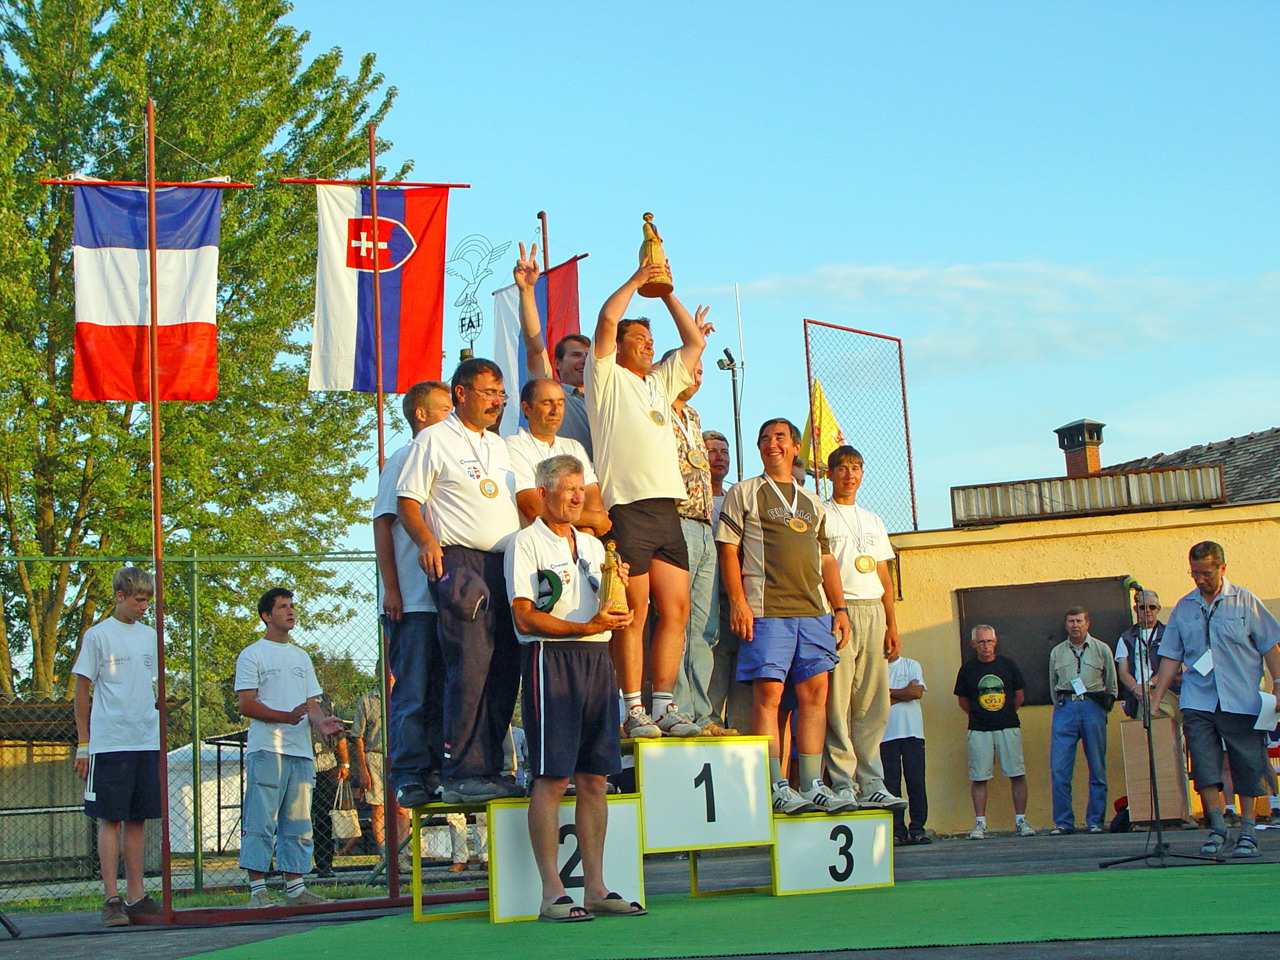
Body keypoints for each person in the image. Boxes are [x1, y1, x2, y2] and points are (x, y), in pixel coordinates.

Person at [506, 455, 645, 920]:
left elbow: (608, 608)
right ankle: (552, 893)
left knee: (594, 778)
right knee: (552, 778)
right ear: (543, 493)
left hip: (597, 659)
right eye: (567, 488)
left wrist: (618, 600)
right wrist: (586, 627)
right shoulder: (525, 543)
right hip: (551, 659)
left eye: (580, 489)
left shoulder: (593, 544)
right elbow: (524, 616)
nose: (576, 497)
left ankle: (596, 888)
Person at [586, 262, 710, 738]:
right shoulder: (605, 378)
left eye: (650, 339)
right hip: (627, 507)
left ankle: (664, 705)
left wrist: (666, 293)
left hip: (667, 509)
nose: (648, 345)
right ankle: (632, 707)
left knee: (676, 611)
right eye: (638, 338)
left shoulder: (660, 381)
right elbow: (606, 318)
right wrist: (637, 281)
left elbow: (694, 343)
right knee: (633, 613)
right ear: (618, 347)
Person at [396, 358, 525, 803]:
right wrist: (427, 542)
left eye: (501, 394)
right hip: (460, 561)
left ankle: (490, 767)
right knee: (469, 668)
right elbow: (407, 502)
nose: (497, 402)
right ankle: (460, 771)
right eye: (488, 393)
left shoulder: (500, 445)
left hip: (505, 563)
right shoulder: (434, 439)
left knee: (504, 669)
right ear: (461, 393)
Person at [717, 418, 855, 815]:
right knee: (769, 697)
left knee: (815, 696)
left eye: (779, 437)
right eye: (764, 438)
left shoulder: (813, 501)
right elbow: (728, 550)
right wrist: (739, 602)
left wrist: (840, 608)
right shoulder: (745, 492)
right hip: (767, 611)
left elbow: (826, 560)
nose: (771, 444)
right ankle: (775, 785)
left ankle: (812, 784)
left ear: (796, 447)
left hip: (813, 612)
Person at [1149, 541, 1280, 858]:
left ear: (1222, 568)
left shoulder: (1245, 601)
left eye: (1206, 573)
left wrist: (1278, 685)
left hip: (1241, 698)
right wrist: (1155, 699)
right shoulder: (1184, 607)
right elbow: (1171, 656)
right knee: (1205, 764)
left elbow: (1271, 646)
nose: (1200, 579)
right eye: (1194, 573)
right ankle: (1218, 828)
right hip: (1198, 698)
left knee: (1247, 763)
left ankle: (1248, 830)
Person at [235, 588, 345, 906]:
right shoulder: (252, 654)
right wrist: (285, 717)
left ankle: (295, 889)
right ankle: (258, 891)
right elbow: (246, 705)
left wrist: (321, 723)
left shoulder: (301, 656)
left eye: (292, 606)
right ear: (266, 616)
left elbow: (311, 704)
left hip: (300, 751)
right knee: (261, 818)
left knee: (298, 821)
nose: (291, 611)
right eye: (283, 606)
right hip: (267, 749)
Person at [373, 380, 453, 809]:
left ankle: (439, 769)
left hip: (447, 599)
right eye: (444, 410)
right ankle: (407, 773)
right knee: (413, 691)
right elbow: (383, 522)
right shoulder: (404, 458)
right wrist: (392, 588)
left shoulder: (449, 456)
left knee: (443, 691)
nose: (451, 416)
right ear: (421, 415)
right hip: (412, 599)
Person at [71, 566, 164, 927]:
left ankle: (136, 896)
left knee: (137, 818)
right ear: (119, 596)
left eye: (147, 601)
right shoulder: (98, 635)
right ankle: (112, 898)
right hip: (110, 741)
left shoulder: (150, 636)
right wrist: (84, 744)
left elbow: (150, 685)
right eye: (138, 599)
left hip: (145, 739)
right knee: (110, 818)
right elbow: (82, 691)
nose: (143, 606)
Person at [821, 446, 906, 811]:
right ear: (830, 474)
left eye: (856, 468)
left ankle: (871, 781)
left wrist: (892, 623)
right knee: (838, 700)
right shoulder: (822, 513)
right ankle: (843, 782)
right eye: (842, 468)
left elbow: (883, 573)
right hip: (839, 611)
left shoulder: (873, 520)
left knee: (873, 701)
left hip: (873, 610)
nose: (849, 475)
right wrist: (834, 609)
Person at [664, 349, 736, 737]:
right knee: (677, 622)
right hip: (675, 519)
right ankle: (677, 709)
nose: (697, 378)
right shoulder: (657, 410)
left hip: (703, 524)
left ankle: (703, 714)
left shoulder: (693, 416)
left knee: (705, 630)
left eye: (702, 373)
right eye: (691, 370)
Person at [954, 625, 1036, 839]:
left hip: (1008, 726)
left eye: (989, 641)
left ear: (996, 641)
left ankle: (1021, 820)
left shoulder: (1008, 665)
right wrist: (980, 715)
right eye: (981, 642)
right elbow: (963, 700)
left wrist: (1004, 713)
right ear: (973, 644)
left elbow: (1019, 696)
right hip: (979, 729)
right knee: (979, 777)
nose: (986, 646)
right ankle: (980, 824)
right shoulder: (967, 669)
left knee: (1017, 773)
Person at [512, 242, 593, 455]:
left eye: (588, 356)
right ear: (557, 363)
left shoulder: (606, 396)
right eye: (576, 355)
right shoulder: (555, 392)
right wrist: (527, 291)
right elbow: (534, 347)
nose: (584, 361)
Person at [506, 377, 610, 536]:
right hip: (538, 544)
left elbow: (592, 499)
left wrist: (584, 535)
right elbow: (534, 508)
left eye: (560, 403)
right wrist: (593, 520)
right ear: (527, 409)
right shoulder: (514, 445)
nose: (555, 410)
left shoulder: (574, 447)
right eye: (547, 403)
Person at [1047, 606, 1118, 834]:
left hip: (1092, 707)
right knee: (1059, 768)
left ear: (1087, 623)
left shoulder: (1101, 649)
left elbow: (1111, 683)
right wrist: (1062, 706)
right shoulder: (1057, 652)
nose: (1075, 625)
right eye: (1071, 621)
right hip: (1065, 707)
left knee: (1097, 766)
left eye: (1079, 621)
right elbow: (1052, 685)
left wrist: (1103, 708)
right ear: (1065, 625)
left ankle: (1095, 821)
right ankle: (1063, 822)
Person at [351, 676, 408, 860]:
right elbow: (358, 737)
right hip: (375, 757)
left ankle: (402, 855)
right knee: (379, 809)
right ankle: (385, 856)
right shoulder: (366, 701)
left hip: (401, 756)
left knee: (402, 808)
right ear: (378, 673)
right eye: (386, 671)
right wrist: (363, 770)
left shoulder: (406, 696)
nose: (390, 676)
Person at [881, 653, 929, 844]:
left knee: (916, 782)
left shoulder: (911, 665)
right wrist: (904, 692)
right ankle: (897, 831)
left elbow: (916, 693)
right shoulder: (875, 668)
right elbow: (875, 698)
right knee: (891, 785)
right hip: (885, 735)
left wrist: (888, 692)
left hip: (912, 733)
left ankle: (918, 829)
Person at [1116, 589, 1179, 719]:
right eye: (1143, 607)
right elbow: (1123, 671)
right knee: (1142, 731)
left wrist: (1149, 684)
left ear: (1158, 609)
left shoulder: (1169, 634)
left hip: (1166, 694)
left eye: (1152, 607)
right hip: (1138, 697)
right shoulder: (1126, 638)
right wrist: (1136, 688)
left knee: (1167, 730)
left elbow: (1174, 665)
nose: (1148, 611)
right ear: (1136, 609)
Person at [308, 690, 350, 879]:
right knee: (293, 816)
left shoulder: (325, 699)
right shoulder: (288, 694)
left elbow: (339, 732)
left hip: (326, 765)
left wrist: (345, 762)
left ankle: (325, 865)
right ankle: (292, 866)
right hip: (298, 763)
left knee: (324, 816)